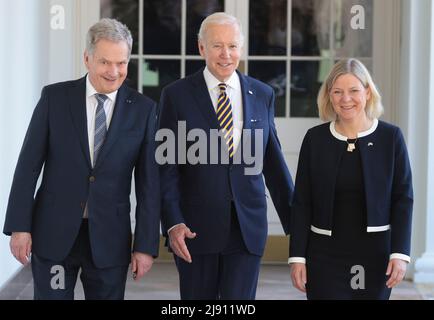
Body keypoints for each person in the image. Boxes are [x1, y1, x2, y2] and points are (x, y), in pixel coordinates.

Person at [3, 18, 160, 300]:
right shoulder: (55, 99)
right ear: (87, 58)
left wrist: (145, 245)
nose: (114, 72)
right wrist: (19, 227)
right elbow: (27, 167)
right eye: (104, 62)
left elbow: (149, 185)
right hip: (54, 237)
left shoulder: (144, 110)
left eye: (121, 63)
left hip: (109, 242)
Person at [157, 12, 294, 300]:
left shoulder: (263, 94)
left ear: (241, 49)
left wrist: (298, 227)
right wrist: (173, 222)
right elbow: (166, 167)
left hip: (247, 227)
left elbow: (273, 164)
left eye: (232, 46)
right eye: (217, 45)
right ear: (201, 48)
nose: (226, 54)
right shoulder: (176, 95)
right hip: (195, 230)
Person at [289, 59, 413, 300]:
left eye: (354, 90)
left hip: (375, 255)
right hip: (324, 256)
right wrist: (297, 257)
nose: (346, 99)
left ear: (367, 92)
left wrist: (400, 253)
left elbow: (403, 199)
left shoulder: (391, 138)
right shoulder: (315, 139)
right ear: (329, 96)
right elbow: (302, 202)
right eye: (337, 92)